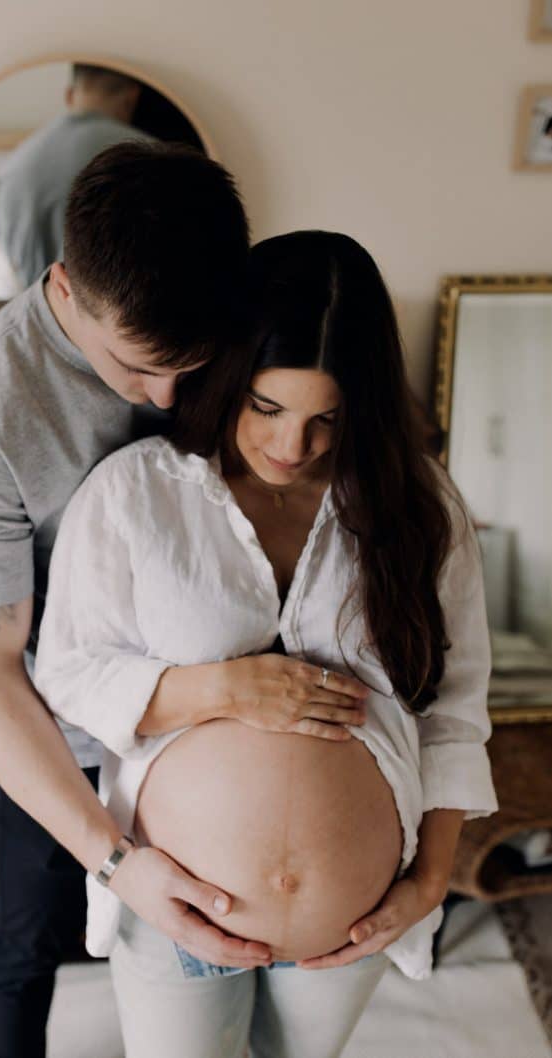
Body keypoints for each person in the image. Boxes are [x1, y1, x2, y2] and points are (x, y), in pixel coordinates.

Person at [34, 230, 499, 1058]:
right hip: (179, 901)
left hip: (354, 917)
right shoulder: (137, 492)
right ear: (227, 375)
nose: (293, 447)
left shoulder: (418, 507)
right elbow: (69, 672)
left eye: (328, 418)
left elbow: (456, 704)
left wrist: (429, 881)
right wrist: (222, 689)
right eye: (267, 408)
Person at [0, 140, 308, 1058]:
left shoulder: (237, 322)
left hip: (222, 722)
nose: (169, 396)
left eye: (191, 367)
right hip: (61, 733)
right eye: (134, 367)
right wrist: (114, 859)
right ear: (65, 286)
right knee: (26, 932)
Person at [0, 63, 152, 287]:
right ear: (132, 97)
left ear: (69, 94)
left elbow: (14, 264)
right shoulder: (152, 156)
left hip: (39, 310)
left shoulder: (18, 162)